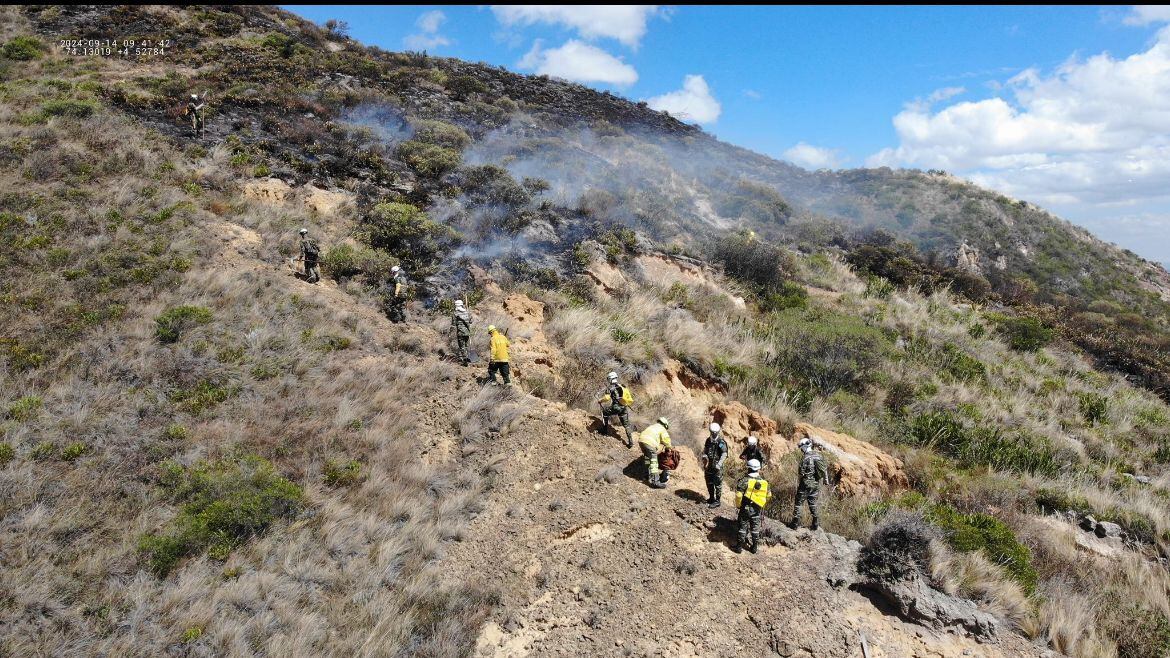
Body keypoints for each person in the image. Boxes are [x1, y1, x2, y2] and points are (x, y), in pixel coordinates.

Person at [789, 437, 830, 531]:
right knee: (813, 503)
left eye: (801, 447)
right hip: (816, 484)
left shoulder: (805, 458)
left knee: (798, 503)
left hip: (805, 484)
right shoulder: (819, 456)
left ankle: (794, 524)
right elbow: (824, 469)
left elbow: (801, 473)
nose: (801, 449)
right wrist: (826, 481)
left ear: (804, 447)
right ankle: (815, 523)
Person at [734, 459, 770, 553]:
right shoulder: (764, 482)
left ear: (748, 468)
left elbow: (738, 495)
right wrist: (761, 503)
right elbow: (769, 495)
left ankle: (739, 547)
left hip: (745, 508)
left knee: (742, 527)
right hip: (757, 509)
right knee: (755, 528)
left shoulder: (744, 480)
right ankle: (754, 547)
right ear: (758, 469)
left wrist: (738, 505)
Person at [598, 371, 634, 448]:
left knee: (604, 412)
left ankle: (605, 431)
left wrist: (600, 400)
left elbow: (607, 398)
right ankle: (631, 442)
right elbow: (629, 398)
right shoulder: (623, 386)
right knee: (626, 425)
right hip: (624, 407)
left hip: (616, 407)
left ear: (610, 379)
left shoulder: (610, 388)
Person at [638, 417, 671, 489]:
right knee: (654, 461)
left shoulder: (653, 426)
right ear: (665, 425)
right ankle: (655, 481)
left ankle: (646, 475)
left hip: (641, 440)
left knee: (647, 458)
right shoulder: (662, 429)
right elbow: (666, 440)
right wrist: (668, 448)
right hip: (649, 443)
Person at [701, 422, 728, 508]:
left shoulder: (721, 442)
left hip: (717, 467)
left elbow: (724, 454)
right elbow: (705, 450)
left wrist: (719, 464)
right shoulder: (708, 440)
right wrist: (704, 455)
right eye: (712, 432)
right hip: (709, 466)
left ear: (718, 432)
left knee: (718, 484)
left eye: (715, 432)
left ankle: (717, 501)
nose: (713, 433)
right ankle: (711, 498)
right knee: (709, 482)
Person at [451, 300, 471, 365]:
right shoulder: (467, 312)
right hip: (467, 332)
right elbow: (470, 321)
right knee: (466, 346)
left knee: (462, 346)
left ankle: (465, 361)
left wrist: (450, 332)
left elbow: (453, 324)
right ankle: (468, 358)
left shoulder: (455, 313)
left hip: (460, 332)